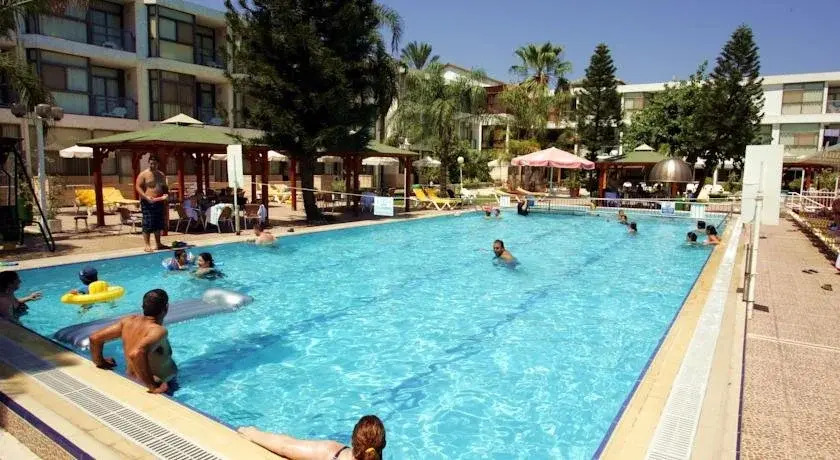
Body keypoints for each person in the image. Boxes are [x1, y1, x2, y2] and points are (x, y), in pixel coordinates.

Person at [89, 289, 177, 394]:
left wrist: (100, 362)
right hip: (159, 384)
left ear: (143, 306)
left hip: (133, 378)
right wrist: (152, 386)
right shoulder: (158, 331)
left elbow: (95, 338)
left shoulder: (128, 321)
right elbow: (137, 354)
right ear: (166, 307)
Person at [238, 415, 386, 460]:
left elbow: (285, 446)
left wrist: (252, 433)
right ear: (383, 444)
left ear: (353, 439)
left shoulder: (331, 453)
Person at [135, 154, 169, 253]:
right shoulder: (143, 174)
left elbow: (164, 187)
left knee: (158, 223)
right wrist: (145, 197)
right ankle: (147, 245)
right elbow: (138, 186)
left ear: (158, 164)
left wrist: (166, 195)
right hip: (147, 201)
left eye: (154, 164)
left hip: (159, 201)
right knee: (148, 223)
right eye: (151, 163)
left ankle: (158, 243)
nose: (152, 165)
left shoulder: (161, 175)